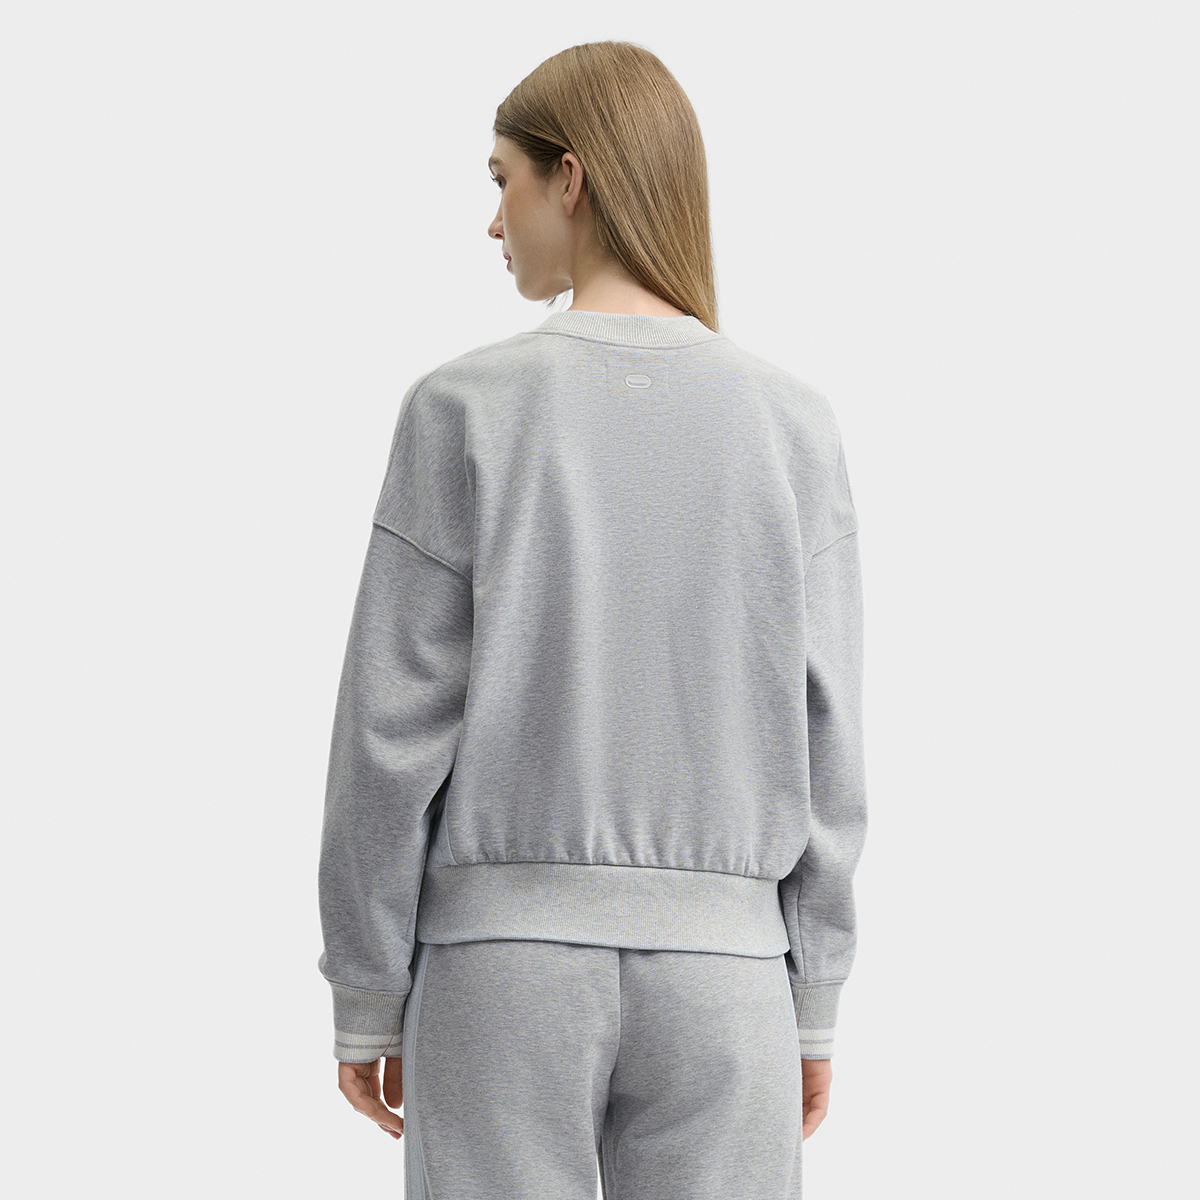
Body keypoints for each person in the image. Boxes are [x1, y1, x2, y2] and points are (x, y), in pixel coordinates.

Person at [316, 39, 867, 1199]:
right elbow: (830, 742)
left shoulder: (461, 408)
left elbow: (388, 731)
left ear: (569, 177)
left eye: (502, 179)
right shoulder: (793, 425)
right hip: (728, 981)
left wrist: (367, 988)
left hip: (499, 976)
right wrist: (813, 993)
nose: (493, 221)